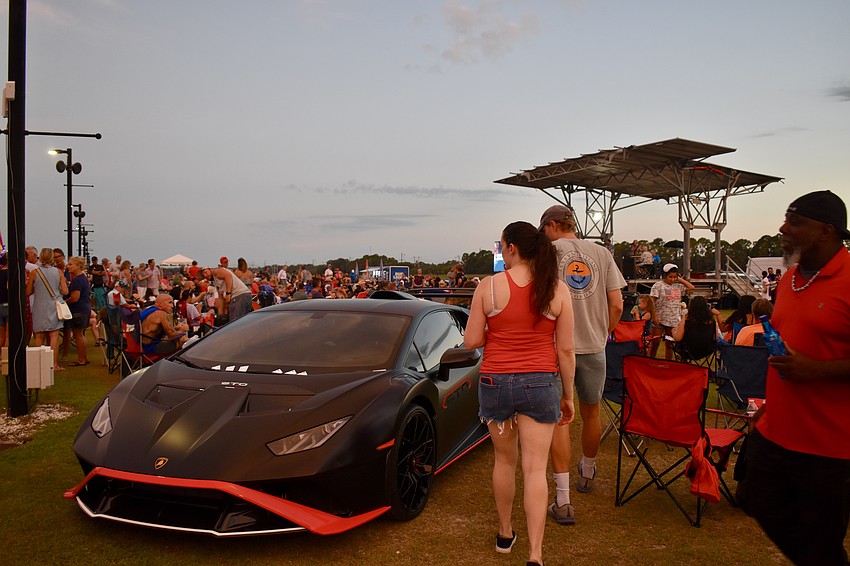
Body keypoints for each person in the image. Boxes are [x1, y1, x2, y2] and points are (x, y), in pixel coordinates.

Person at [737, 190, 850, 566]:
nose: (783, 228)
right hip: (775, 431)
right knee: (755, 500)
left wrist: (818, 370)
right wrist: (766, 408)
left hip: (829, 446)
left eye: (795, 221)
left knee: (820, 541)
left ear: (826, 231)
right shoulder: (789, 281)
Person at [464, 221, 575, 566]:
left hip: (496, 383)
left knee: (504, 461)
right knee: (534, 468)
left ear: (511, 247)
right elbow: (566, 351)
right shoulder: (556, 289)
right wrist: (567, 395)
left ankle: (505, 532)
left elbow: (471, 341)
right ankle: (536, 555)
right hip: (541, 383)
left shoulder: (489, 286)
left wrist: (496, 332)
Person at [539, 204, 625, 525]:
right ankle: (587, 471)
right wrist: (603, 332)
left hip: (555, 347)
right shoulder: (601, 252)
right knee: (591, 411)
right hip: (593, 346)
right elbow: (616, 303)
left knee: (562, 417)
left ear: (551, 226)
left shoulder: (548, 253)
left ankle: (562, 498)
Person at [25, 247, 69, 371]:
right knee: (54, 335)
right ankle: (53, 364)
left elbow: (27, 292)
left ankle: (39, 364)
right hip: (53, 306)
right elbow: (65, 290)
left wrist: (36, 289)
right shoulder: (58, 272)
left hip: (39, 306)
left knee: (39, 336)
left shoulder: (35, 273)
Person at [649, 263, 695, 359]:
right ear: (665, 275)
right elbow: (651, 302)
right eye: (670, 277)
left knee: (670, 345)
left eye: (675, 277)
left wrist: (680, 279)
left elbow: (691, 287)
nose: (673, 279)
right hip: (659, 318)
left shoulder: (677, 286)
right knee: (655, 343)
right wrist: (654, 316)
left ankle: (668, 363)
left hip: (673, 320)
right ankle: (650, 360)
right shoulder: (658, 286)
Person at [669, 295, 721, 361]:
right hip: (706, 351)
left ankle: (683, 362)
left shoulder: (687, 319)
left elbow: (678, 338)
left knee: (676, 344)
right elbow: (716, 338)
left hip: (688, 351)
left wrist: (673, 331)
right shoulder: (711, 321)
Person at [64, 256, 92, 366]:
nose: (68, 266)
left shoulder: (77, 280)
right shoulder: (82, 278)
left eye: (71, 264)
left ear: (78, 266)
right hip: (84, 308)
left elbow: (75, 297)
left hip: (78, 309)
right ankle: (83, 357)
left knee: (78, 334)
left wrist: (64, 302)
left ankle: (81, 359)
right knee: (80, 334)